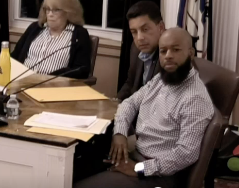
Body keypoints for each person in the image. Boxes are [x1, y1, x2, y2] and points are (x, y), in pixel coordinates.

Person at [75, 28, 214, 188]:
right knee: (75, 166)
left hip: (158, 174)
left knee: (80, 185)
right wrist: (120, 133)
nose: (168, 55)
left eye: (175, 50)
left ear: (190, 53)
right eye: (163, 51)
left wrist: (139, 169)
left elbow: (186, 154)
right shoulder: (162, 79)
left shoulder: (194, 98)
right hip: (137, 153)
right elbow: (129, 103)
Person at [11, 0, 91, 79]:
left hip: (54, 87)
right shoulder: (35, 28)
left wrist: (50, 78)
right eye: (47, 9)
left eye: (56, 10)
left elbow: (81, 70)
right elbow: (15, 56)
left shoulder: (79, 35)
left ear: (69, 12)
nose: (50, 14)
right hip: (21, 81)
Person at [117, 1, 166, 101]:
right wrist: (115, 104)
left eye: (145, 29)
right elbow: (130, 83)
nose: (139, 38)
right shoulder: (136, 49)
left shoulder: (171, 54)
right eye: (134, 32)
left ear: (161, 27)